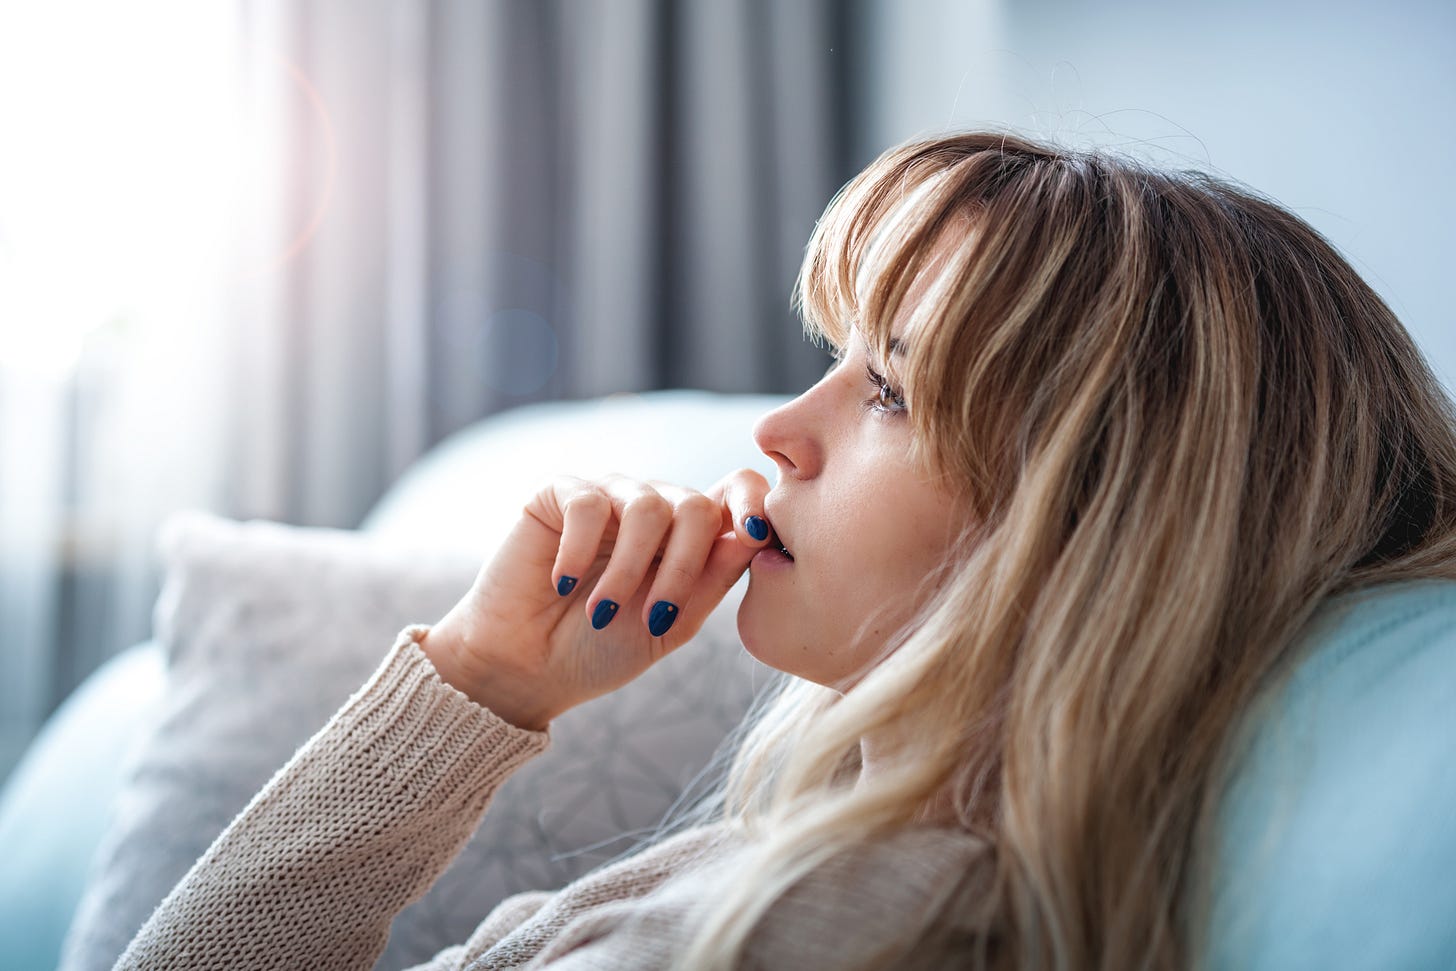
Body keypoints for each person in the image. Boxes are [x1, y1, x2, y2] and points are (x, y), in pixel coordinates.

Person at [116, 129, 1456, 970]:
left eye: (891, 393)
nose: (776, 431)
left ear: (1092, 529)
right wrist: (481, 679)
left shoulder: (848, 921)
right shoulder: (808, 863)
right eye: (837, 360)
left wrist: (478, 684)